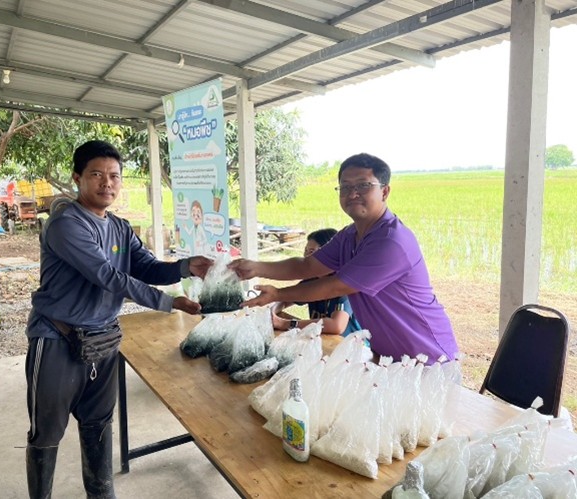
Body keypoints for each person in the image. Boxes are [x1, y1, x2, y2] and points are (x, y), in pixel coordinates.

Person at [24, 140, 211, 499]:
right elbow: (108, 276)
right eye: (96, 174)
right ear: (77, 178)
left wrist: (187, 266)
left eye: (114, 176)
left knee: (98, 423)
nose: (107, 183)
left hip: (104, 340)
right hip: (57, 339)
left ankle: (101, 493)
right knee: (46, 432)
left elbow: (148, 268)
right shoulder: (66, 224)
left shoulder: (121, 228)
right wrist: (167, 302)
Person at [230, 153, 458, 364]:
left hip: (429, 358)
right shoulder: (349, 235)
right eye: (345, 187)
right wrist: (256, 267)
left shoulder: (391, 241)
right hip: (388, 357)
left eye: (363, 185)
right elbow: (308, 266)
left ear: (385, 191)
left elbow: (335, 286)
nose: (352, 193)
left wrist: (278, 294)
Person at [271, 228, 361, 336]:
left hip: (348, 344)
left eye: (311, 252)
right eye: (306, 251)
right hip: (323, 341)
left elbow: (336, 325)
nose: (306, 257)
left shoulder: (344, 285)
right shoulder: (312, 280)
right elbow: (285, 300)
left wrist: (286, 323)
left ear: (330, 254)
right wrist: (272, 312)